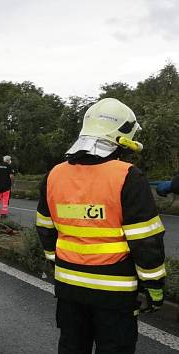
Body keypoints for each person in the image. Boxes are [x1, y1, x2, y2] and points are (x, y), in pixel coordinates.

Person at [35, 98, 165, 354]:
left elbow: (45, 229)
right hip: (114, 293)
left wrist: (56, 262)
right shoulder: (128, 176)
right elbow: (146, 241)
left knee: (72, 347)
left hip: (69, 288)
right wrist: (155, 287)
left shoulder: (55, 175)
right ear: (121, 136)